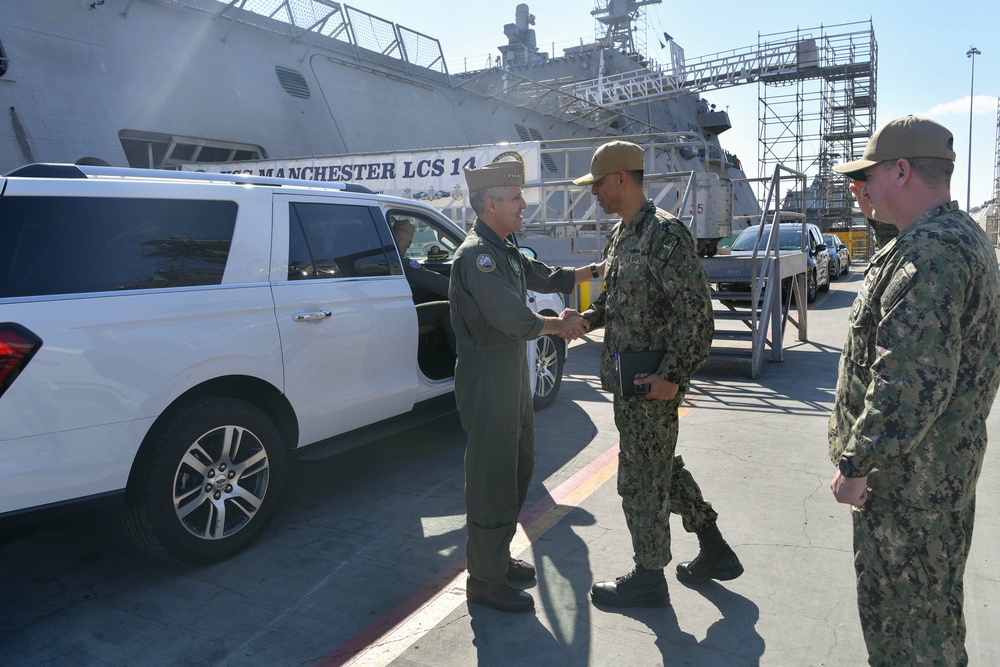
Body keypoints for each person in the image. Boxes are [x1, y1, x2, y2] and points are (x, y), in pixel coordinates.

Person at [828, 115, 1000, 665]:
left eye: (869, 176)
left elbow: (909, 383)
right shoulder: (949, 239)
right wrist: (874, 213)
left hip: (906, 489)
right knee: (929, 621)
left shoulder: (931, 256)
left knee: (911, 639)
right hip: (930, 480)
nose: (862, 188)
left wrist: (856, 463)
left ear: (901, 171)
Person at [574, 140, 743, 608]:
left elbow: (697, 315)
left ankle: (649, 577)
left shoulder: (664, 235)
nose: (595, 195)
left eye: (599, 186)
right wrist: (586, 320)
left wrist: (672, 375)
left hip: (652, 386)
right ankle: (715, 548)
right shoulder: (623, 235)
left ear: (622, 180)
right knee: (662, 469)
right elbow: (614, 299)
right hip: (630, 385)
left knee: (639, 479)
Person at [450, 160, 602, 613]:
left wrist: (592, 271)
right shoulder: (477, 256)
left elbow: (542, 275)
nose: (524, 204)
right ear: (491, 203)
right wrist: (563, 325)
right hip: (489, 372)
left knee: (518, 464)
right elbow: (514, 319)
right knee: (491, 474)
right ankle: (484, 580)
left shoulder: (504, 248)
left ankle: (495, 559)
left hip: (512, 367)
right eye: (516, 198)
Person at [391, 217, 455, 353]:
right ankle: (463, 360)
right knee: (449, 309)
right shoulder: (399, 261)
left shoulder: (385, 258)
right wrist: (461, 292)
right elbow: (431, 280)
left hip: (389, 313)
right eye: (408, 242)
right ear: (397, 239)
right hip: (396, 316)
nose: (409, 246)